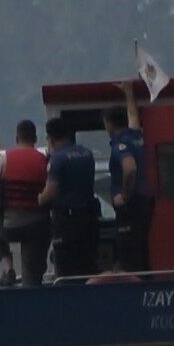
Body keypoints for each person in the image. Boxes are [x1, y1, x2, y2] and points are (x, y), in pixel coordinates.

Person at [0, 120, 51, 286]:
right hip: (37, 227)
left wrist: (3, 213)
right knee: (32, 280)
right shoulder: (44, 161)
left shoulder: (4, 160)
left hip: (10, 227)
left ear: (17, 138)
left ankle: (8, 270)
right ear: (35, 139)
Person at [38, 118, 100, 278]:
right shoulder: (86, 153)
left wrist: (38, 199)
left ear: (50, 138)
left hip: (67, 221)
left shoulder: (58, 159)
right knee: (87, 264)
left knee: (67, 269)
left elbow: (50, 192)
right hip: (89, 217)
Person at [104, 81, 153, 272]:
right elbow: (133, 116)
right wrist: (128, 92)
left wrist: (124, 195)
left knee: (130, 254)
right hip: (144, 203)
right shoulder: (136, 135)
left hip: (129, 208)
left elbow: (130, 168)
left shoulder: (120, 145)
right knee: (142, 249)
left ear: (109, 124)